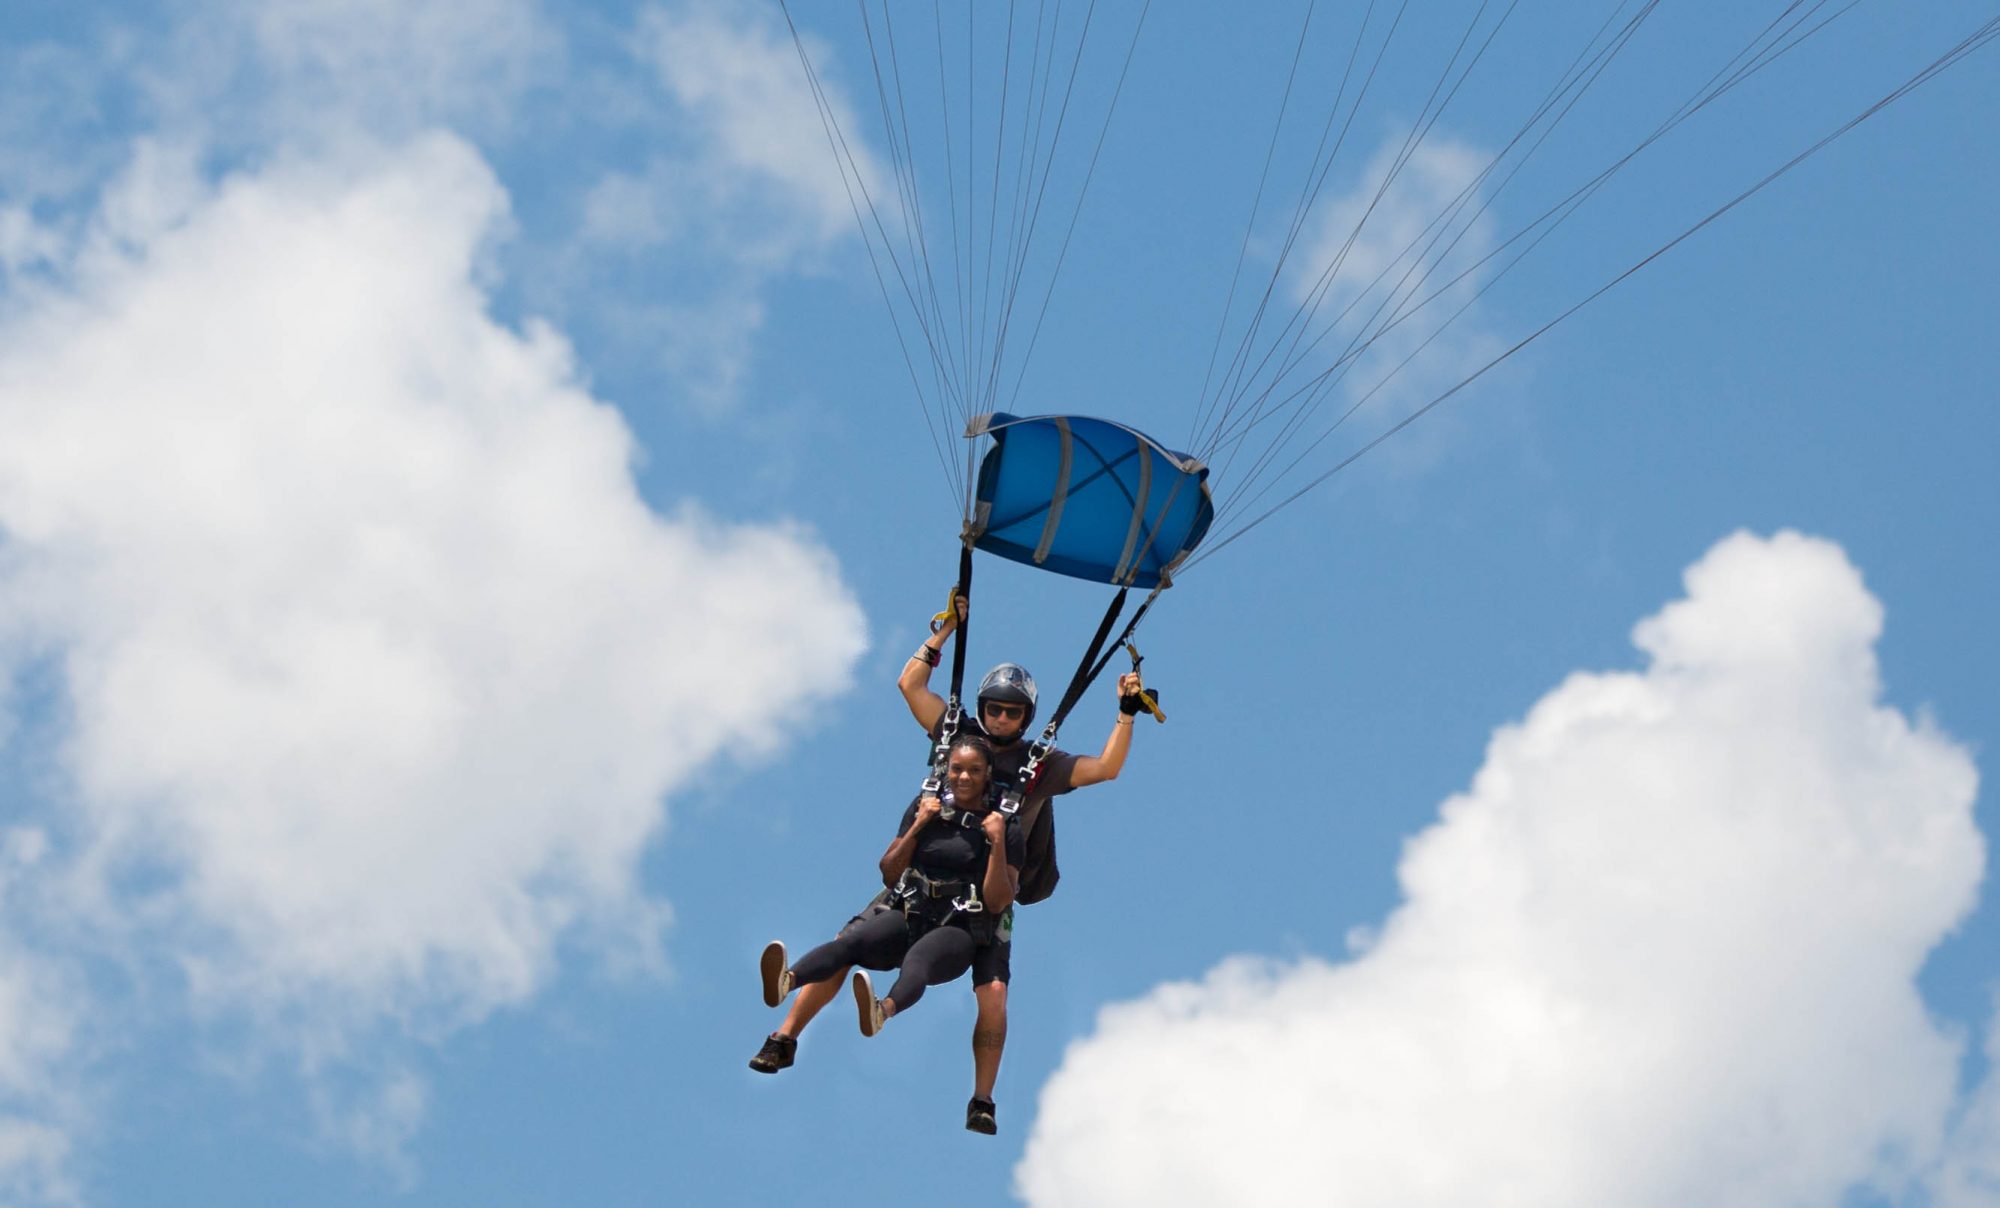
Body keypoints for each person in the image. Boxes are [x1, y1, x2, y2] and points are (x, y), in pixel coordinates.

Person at [891, 596, 1147, 1135]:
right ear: (982, 707)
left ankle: (982, 1099)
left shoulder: (1041, 765)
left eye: (1012, 712)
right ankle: (791, 1028)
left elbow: (1105, 769)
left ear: (1026, 717)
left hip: (991, 891)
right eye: (994, 708)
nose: (1001, 719)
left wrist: (1126, 713)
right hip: (929, 874)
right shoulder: (956, 740)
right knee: (861, 938)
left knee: (995, 994)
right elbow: (910, 687)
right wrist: (943, 632)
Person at [748, 734, 1026, 1094]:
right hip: (911, 910)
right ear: (947, 770)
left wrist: (998, 841)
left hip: (957, 928)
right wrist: (919, 825)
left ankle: (883, 1010)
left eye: (974, 771)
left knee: (919, 963)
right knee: (851, 943)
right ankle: (788, 980)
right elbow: (889, 871)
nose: (964, 778)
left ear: (988, 774)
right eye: (957, 769)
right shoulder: (925, 806)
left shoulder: (1004, 824)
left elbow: (997, 900)